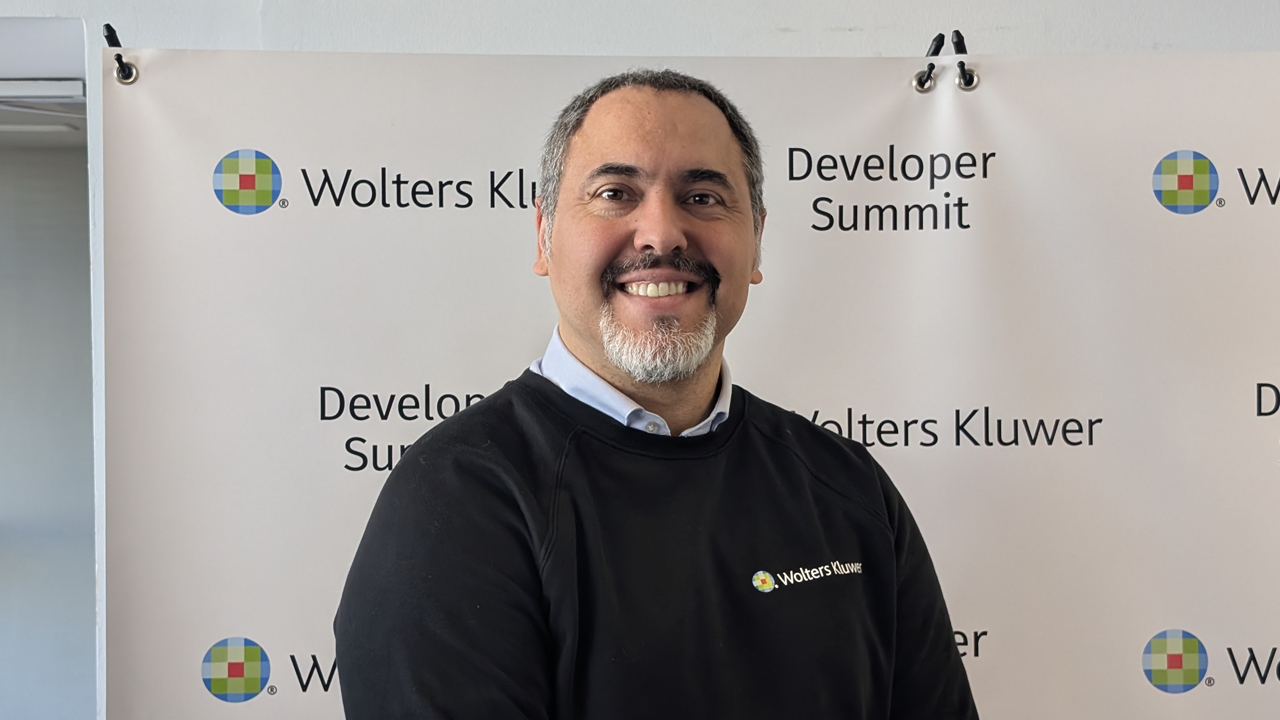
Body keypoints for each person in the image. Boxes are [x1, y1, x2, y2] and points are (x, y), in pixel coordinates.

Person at [335, 68, 978, 720]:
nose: (662, 233)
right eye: (615, 193)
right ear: (544, 236)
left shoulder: (846, 486)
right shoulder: (457, 496)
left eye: (702, 197)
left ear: (756, 241)